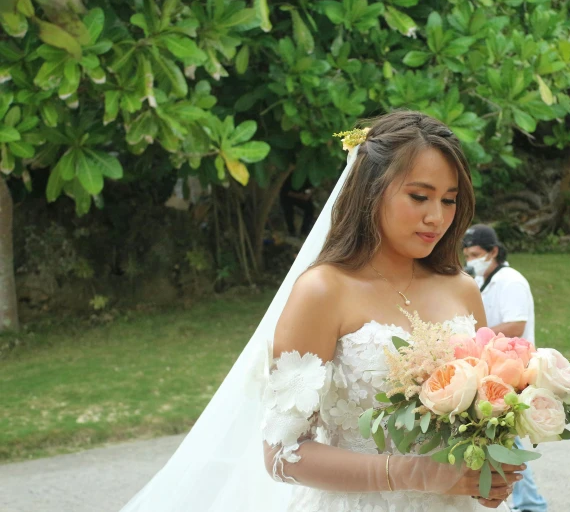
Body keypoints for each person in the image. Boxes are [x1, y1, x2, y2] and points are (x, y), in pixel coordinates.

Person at [119, 111, 526, 512]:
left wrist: (490, 474)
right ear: (371, 190)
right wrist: (414, 473)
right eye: (419, 196)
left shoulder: (463, 289)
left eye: (449, 200)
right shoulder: (323, 291)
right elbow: (283, 453)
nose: (436, 216)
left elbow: (479, 418)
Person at [462, 224, 547, 512]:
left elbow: (516, 324)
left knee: (509, 442)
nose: (471, 259)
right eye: (467, 254)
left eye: (476, 253)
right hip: (492, 372)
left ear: (493, 251)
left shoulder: (510, 281)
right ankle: (526, 503)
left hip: (514, 372)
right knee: (504, 441)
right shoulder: (482, 281)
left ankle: (531, 505)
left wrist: (480, 339)